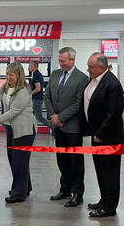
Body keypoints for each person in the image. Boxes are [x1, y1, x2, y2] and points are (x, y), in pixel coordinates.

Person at [0, 62, 37, 204]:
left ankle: (18, 194)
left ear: (19, 75)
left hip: (24, 130)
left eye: (11, 75)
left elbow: (13, 112)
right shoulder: (6, 86)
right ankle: (26, 187)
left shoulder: (24, 90)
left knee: (19, 162)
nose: (8, 77)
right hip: (11, 128)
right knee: (15, 160)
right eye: (7, 74)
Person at [44, 47, 89, 207]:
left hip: (72, 127)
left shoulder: (82, 78)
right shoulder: (55, 74)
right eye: (59, 60)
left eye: (63, 60)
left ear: (72, 60)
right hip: (58, 126)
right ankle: (65, 190)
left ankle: (78, 193)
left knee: (75, 162)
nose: (60, 63)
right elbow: (47, 96)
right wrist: (52, 116)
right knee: (61, 159)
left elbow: (78, 103)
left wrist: (60, 117)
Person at [82, 52, 124, 217]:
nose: (88, 69)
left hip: (108, 137)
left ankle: (110, 207)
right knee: (100, 169)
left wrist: (100, 133)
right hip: (96, 136)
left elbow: (114, 113)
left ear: (102, 67)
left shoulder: (112, 84)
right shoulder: (93, 81)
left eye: (91, 67)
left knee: (110, 171)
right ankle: (104, 199)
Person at [28, 61, 52, 128]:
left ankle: (53, 127)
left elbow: (38, 88)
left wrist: (29, 94)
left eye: (30, 66)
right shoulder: (36, 74)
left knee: (39, 117)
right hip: (36, 99)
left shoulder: (36, 74)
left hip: (37, 99)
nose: (28, 67)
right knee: (31, 115)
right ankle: (30, 129)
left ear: (33, 66)